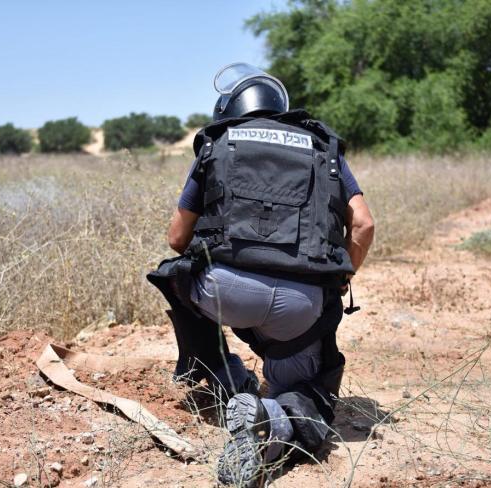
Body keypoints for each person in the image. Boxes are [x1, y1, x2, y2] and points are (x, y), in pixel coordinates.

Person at [148, 62, 374, 487]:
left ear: (229, 109)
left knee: (176, 275)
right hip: (300, 308)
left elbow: (177, 238)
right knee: (310, 395)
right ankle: (273, 416)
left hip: (222, 293)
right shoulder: (321, 144)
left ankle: (221, 375)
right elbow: (363, 225)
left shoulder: (218, 141)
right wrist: (340, 278)